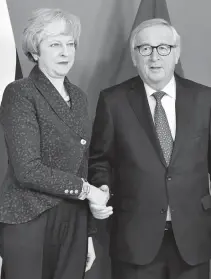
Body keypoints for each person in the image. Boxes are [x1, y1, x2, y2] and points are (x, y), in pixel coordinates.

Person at [88, 18, 211, 279]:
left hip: (193, 239)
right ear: (135, 57)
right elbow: (101, 161)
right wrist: (102, 187)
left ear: (176, 53)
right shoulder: (113, 101)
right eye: (145, 49)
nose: (154, 57)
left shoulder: (205, 99)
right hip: (135, 241)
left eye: (163, 48)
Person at [0, 8, 112, 279]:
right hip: (29, 219)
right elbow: (28, 170)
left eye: (70, 43)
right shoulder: (20, 93)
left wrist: (88, 233)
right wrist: (88, 191)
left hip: (74, 220)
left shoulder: (79, 96)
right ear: (35, 52)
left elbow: (81, 163)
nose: (66, 51)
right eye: (55, 44)